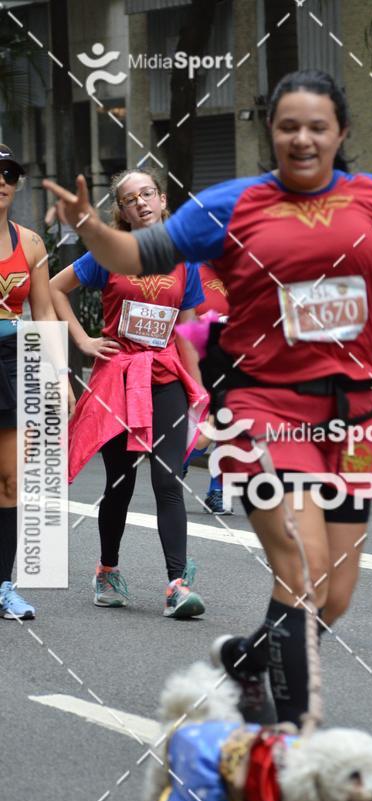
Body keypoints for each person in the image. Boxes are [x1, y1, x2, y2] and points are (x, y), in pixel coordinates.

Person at [44, 70, 372, 726]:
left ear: (340, 133)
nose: (302, 138)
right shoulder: (231, 205)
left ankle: (247, 663)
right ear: (271, 132)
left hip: (351, 419)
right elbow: (133, 252)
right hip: (261, 409)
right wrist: (89, 227)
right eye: (288, 126)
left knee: (334, 597)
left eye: (317, 127)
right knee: (302, 573)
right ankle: (291, 737)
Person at [49, 166, 208, 618]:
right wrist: (82, 341)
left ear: (161, 200)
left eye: (148, 193)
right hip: (118, 379)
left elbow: (189, 328)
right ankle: (107, 571)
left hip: (166, 378)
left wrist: (201, 393)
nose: (141, 202)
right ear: (120, 211)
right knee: (120, 483)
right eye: (130, 198)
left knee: (168, 480)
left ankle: (176, 584)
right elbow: (56, 288)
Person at [0, 144, 65, 619]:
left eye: (9, 173)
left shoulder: (32, 243)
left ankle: (3, 586)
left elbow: (43, 312)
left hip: (9, 362)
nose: (1, 180)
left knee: (10, 482)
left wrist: (59, 375)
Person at [182, 262, 233, 515]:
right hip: (197, 362)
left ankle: (218, 490)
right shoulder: (192, 269)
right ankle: (176, 465)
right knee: (205, 432)